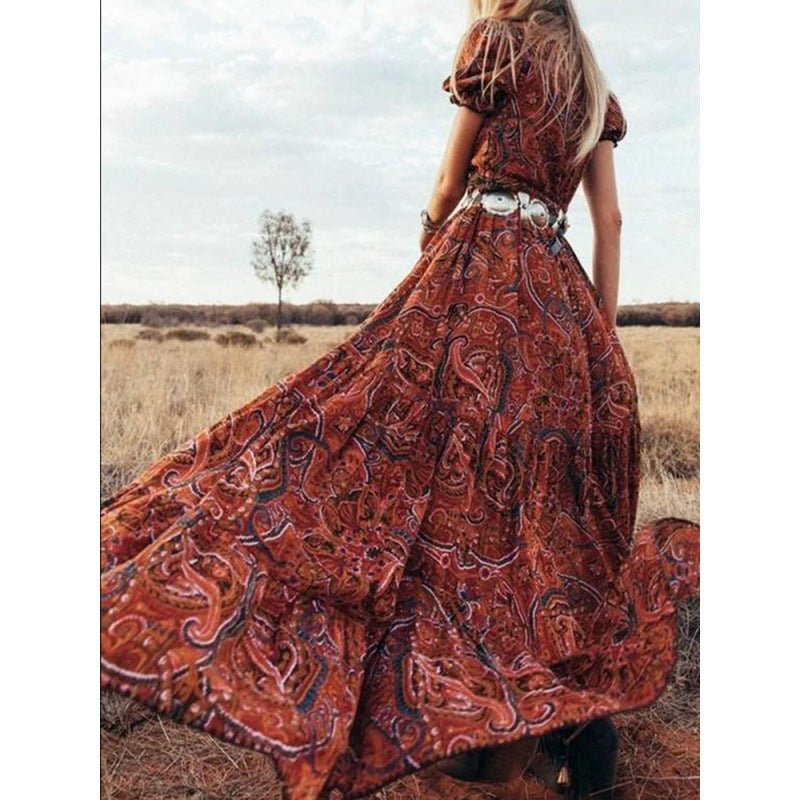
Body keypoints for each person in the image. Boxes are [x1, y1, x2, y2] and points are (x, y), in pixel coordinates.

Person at [100, 2, 700, 799]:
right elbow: (610, 221)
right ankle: (543, 739)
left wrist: (429, 242)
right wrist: (599, 338)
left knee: (398, 466)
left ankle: (458, 725)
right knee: (529, 528)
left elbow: (449, 183)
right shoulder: (593, 87)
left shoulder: (496, 45)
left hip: (477, 276)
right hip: (559, 306)